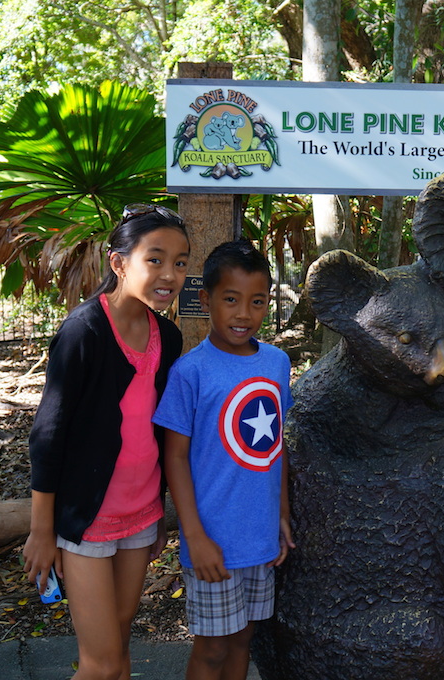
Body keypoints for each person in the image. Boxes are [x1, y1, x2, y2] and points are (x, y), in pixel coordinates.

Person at [22, 204, 190, 680]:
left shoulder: (169, 338)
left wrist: (156, 513)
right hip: (88, 519)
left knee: (118, 642)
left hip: (140, 515)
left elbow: (155, 432)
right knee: (99, 663)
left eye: (180, 262)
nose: (170, 274)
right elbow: (48, 434)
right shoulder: (84, 331)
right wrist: (41, 530)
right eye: (154, 259)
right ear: (119, 263)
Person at [153, 240, 294, 680]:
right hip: (212, 538)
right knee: (212, 648)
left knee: (243, 639)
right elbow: (174, 456)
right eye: (230, 300)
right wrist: (193, 536)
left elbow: (277, 444)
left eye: (256, 302)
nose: (243, 314)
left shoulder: (275, 363)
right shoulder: (189, 372)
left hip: (259, 535)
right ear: (206, 300)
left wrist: (283, 514)